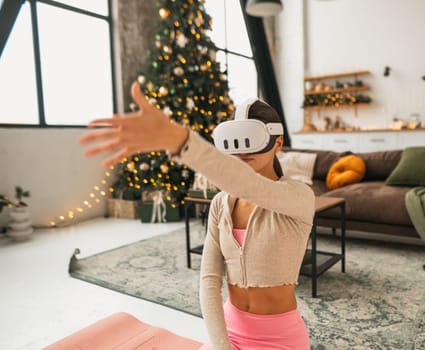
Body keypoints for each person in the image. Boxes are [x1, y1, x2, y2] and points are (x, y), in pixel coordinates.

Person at [80, 82, 315, 349]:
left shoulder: (298, 198)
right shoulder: (220, 204)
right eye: (235, 143)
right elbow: (209, 281)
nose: (242, 151)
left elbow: (250, 185)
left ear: (278, 142)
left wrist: (181, 141)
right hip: (229, 333)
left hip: (279, 339)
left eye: (251, 141)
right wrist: (221, 345)